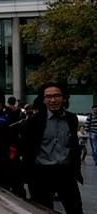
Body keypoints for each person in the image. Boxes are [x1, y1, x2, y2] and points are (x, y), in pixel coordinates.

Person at [19, 83, 83, 214]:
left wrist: (76, 170)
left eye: (57, 96)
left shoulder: (71, 118)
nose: (53, 100)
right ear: (43, 100)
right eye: (48, 97)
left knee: (76, 209)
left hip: (66, 173)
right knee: (43, 210)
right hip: (41, 174)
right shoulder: (34, 121)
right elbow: (26, 148)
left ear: (64, 98)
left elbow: (74, 145)